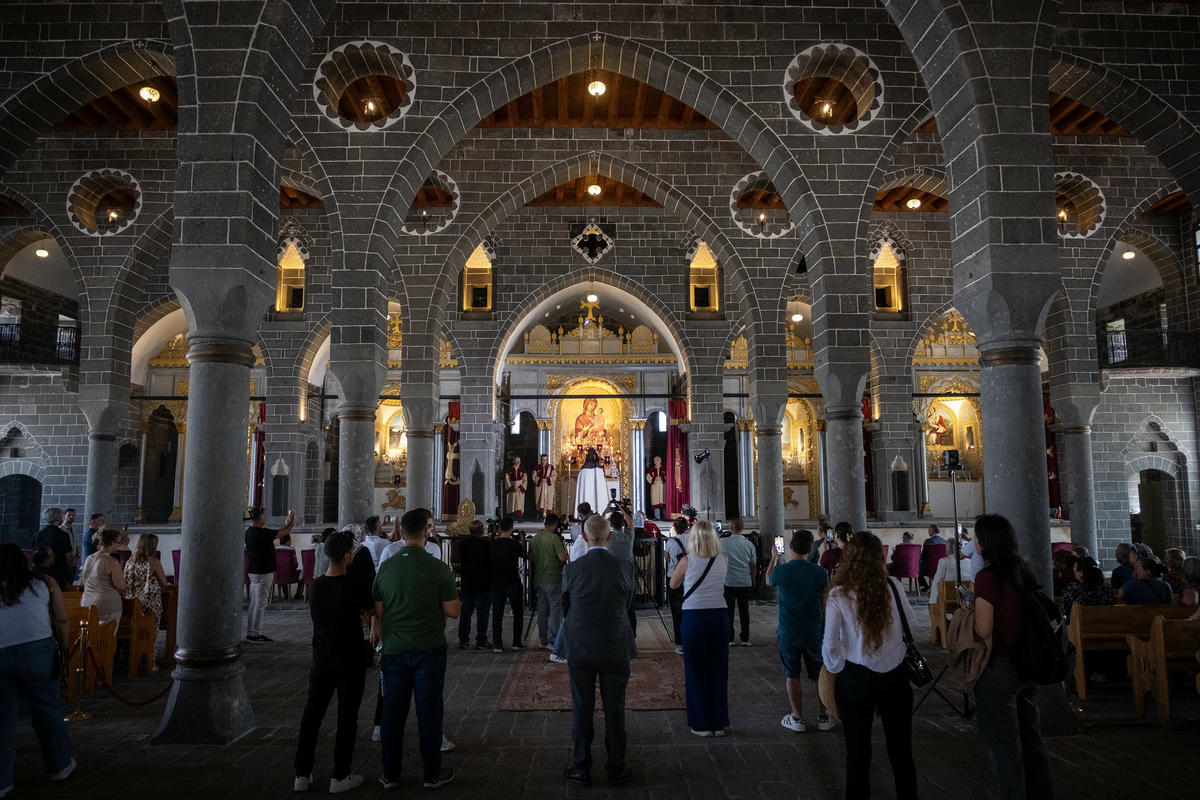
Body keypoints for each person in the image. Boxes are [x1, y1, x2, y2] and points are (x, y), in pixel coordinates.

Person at [822, 530, 918, 800]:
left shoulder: (839, 594)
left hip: (856, 678)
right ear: (879, 558)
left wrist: (838, 668)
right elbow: (911, 625)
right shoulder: (894, 587)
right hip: (896, 678)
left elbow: (829, 646)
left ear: (849, 559)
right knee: (901, 752)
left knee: (858, 753)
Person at [374, 508, 460, 791]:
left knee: (392, 713)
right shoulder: (437, 567)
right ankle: (431, 774)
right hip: (429, 648)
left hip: (394, 649)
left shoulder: (386, 567)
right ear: (426, 531)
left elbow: (378, 610)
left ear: (401, 531)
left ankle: (390, 773)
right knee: (429, 711)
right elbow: (453, 611)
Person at [971, 514, 1053, 800]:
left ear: (984, 544)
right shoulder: (1023, 570)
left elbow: (983, 628)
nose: (974, 542)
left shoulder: (987, 578)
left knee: (1004, 746)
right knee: (1031, 737)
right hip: (1027, 663)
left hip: (1001, 665)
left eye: (976, 537)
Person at [561, 513, 636, 786]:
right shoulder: (625, 567)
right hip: (615, 643)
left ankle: (581, 765)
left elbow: (566, 606)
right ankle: (616, 766)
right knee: (615, 707)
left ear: (583, 537)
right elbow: (628, 605)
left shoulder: (573, 568)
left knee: (582, 707)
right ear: (610, 537)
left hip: (580, 645)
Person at [293, 531, 369, 795]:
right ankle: (340, 774)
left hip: (322, 658)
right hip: (350, 659)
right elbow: (367, 613)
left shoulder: (316, 587)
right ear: (347, 556)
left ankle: (302, 774)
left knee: (311, 715)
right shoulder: (353, 586)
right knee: (347, 717)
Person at [0, 543, 74, 796]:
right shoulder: (43, 583)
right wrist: (64, 647)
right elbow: (62, 618)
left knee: (3, 717)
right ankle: (60, 765)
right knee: (47, 708)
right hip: (38, 650)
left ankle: (2, 781)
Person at [767, 529, 833, 733]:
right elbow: (826, 601)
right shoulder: (819, 572)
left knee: (792, 674)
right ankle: (823, 716)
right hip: (813, 630)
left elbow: (768, 581)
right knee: (818, 674)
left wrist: (773, 559)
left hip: (788, 631)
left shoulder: (782, 570)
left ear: (791, 547)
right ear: (810, 549)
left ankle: (797, 717)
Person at [669, 520, 729, 737]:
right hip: (719, 616)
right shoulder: (723, 559)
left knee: (696, 670)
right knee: (718, 669)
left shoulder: (687, 561)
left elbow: (673, 585)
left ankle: (701, 723)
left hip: (694, 616)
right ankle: (718, 722)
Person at [244, 506, 295, 643]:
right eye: (264, 515)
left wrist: (286, 523)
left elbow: (280, 532)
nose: (265, 518)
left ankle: (251, 632)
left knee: (254, 602)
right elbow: (286, 532)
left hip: (254, 571)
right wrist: (292, 520)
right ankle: (255, 634)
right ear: (259, 517)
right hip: (263, 571)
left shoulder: (250, 532)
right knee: (260, 603)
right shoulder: (261, 533)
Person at [530, 513, 567, 649]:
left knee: (542, 610)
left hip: (539, 579)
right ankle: (554, 640)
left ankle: (543, 639)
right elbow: (562, 558)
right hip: (552, 579)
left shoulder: (535, 538)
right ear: (555, 525)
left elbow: (530, 557)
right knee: (555, 610)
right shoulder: (554, 539)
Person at [489, 517, 526, 653]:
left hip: (496, 582)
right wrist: (522, 539)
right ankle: (516, 642)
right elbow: (523, 554)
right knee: (518, 612)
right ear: (511, 529)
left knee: (497, 614)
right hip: (512, 582)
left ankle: (497, 644)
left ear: (499, 529)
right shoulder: (514, 544)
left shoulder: (492, 543)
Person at [721, 518, 758, 646]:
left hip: (728, 581)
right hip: (744, 581)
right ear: (742, 529)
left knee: (729, 611)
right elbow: (753, 565)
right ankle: (745, 638)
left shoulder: (723, 542)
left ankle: (730, 638)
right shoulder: (749, 544)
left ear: (730, 528)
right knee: (744, 611)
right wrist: (753, 579)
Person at [79, 527, 127, 624]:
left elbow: (85, 581)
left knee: (90, 636)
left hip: (86, 603)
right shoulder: (111, 561)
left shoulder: (89, 558)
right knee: (107, 638)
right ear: (113, 543)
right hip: (106, 606)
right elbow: (121, 587)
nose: (119, 546)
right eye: (119, 542)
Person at [457, 520, 492, 650]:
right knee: (482, 614)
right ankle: (481, 640)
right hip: (482, 584)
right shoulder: (486, 545)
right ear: (482, 531)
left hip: (467, 583)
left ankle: (463, 640)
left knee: (465, 613)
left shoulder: (463, 544)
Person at [124, 532, 167, 631]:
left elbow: (124, 581)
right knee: (149, 632)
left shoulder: (129, 562)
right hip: (149, 603)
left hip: (132, 602)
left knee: (135, 632)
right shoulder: (153, 562)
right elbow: (164, 583)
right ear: (152, 547)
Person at [1058, 557, 1115, 623]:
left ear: (1081, 572)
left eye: (1075, 568)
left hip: (1077, 627)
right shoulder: (1107, 588)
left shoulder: (1073, 589)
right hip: (1107, 625)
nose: (1073, 569)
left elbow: (1063, 612)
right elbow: (1112, 606)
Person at [663, 516, 690, 654]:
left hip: (673, 577)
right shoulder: (692, 540)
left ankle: (679, 643)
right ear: (687, 528)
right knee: (689, 610)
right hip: (689, 578)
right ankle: (690, 639)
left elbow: (667, 559)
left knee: (676, 612)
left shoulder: (670, 542)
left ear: (675, 528)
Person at [32, 507, 73, 590]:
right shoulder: (63, 535)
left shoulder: (37, 535)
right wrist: (69, 572)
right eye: (62, 516)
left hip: (39, 574)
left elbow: (34, 554)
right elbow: (68, 557)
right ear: (58, 518)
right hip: (59, 574)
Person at [927, 538, 974, 606]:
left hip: (949, 598)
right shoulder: (970, 561)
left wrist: (932, 601)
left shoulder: (943, 561)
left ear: (948, 548)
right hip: (966, 597)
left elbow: (937, 581)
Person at [574, 447, 607, 516]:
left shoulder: (583, 471)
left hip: (586, 496)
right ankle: (600, 512)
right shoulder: (599, 470)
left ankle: (584, 514)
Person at [534, 453, 556, 520]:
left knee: (548, 501)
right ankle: (540, 516)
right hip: (540, 487)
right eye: (543, 460)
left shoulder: (551, 467)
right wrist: (541, 479)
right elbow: (534, 476)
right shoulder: (537, 467)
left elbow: (554, 476)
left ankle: (548, 517)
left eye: (545, 460)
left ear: (547, 460)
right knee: (540, 501)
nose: (544, 461)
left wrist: (547, 479)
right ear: (541, 460)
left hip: (548, 487)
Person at [645, 454, 666, 520]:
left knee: (664, 501)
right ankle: (658, 518)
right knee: (656, 503)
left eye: (658, 460)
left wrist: (662, 478)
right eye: (655, 460)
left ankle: (665, 518)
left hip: (663, 488)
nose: (656, 461)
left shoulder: (664, 469)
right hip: (655, 488)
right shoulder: (651, 470)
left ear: (660, 461)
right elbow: (648, 477)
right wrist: (654, 479)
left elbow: (668, 476)